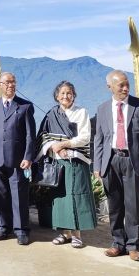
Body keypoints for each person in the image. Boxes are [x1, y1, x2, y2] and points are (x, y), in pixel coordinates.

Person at [93, 70, 139, 262]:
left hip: (133, 161)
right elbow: (99, 139)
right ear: (109, 87)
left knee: (133, 206)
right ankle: (117, 243)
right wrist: (97, 165)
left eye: (126, 83)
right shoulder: (103, 108)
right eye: (120, 84)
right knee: (114, 206)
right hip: (110, 160)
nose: (125, 87)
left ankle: (133, 246)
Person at [35, 81, 95, 249]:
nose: (65, 96)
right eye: (62, 93)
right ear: (56, 96)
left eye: (69, 93)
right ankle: (64, 233)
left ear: (74, 95)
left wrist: (64, 144)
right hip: (58, 164)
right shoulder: (51, 114)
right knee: (60, 199)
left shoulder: (81, 113)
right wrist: (54, 147)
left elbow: (84, 137)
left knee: (76, 197)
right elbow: (43, 136)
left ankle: (77, 234)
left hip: (76, 161)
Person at [0, 72, 36, 245]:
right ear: (0, 85)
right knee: (1, 195)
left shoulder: (25, 106)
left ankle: (21, 230)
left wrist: (28, 157)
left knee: (19, 196)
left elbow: (31, 135)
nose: (10, 85)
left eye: (13, 82)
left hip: (18, 160)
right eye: (7, 82)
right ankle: (3, 228)